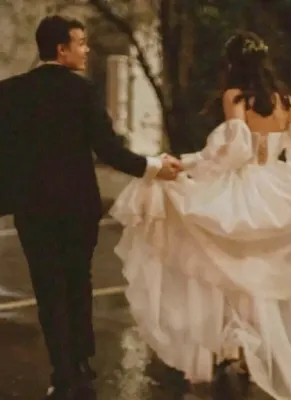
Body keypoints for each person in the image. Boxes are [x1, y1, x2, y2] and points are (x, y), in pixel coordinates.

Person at [109, 32, 291, 399]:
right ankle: (248, 350)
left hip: (243, 189)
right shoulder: (284, 101)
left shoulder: (236, 97)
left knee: (228, 271)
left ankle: (238, 346)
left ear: (232, 64)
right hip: (278, 193)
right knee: (260, 278)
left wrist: (188, 165)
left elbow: (235, 150)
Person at [0, 15, 182, 400]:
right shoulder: (82, 91)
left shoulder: (11, 91)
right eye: (80, 43)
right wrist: (153, 167)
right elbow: (109, 149)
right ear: (61, 49)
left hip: (33, 208)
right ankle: (82, 363)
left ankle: (62, 372)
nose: (86, 50)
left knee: (49, 290)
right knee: (78, 283)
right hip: (77, 206)